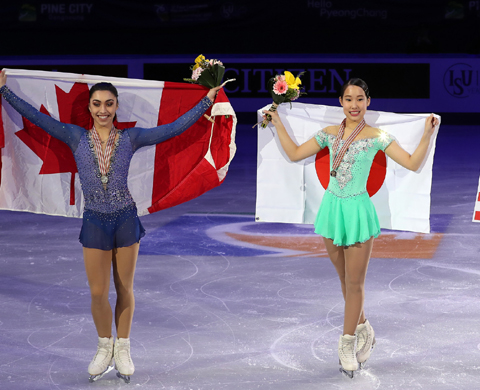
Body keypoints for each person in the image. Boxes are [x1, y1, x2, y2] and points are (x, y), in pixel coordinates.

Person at [0, 69, 222, 383]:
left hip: (125, 219)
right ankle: (105, 346)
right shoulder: (75, 136)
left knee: (125, 289)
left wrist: (205, 103)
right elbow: (38, 118)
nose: (103, 109)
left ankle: (124, 348)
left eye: (108, 103)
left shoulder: (131, 138)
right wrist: (5, 93)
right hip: (94, 220)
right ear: (89, 108)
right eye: (97, 104)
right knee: (97, 292)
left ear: (116, 107)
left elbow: (172, 129)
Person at [263, 78, 437, 378]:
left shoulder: (377, 136)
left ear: (368, 101)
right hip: (332, 209)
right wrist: (277, 121)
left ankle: (346, 344)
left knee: (355, 283)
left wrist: (426, 135)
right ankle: (364, 327)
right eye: (348, 99)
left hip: (357, 211)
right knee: (344, 279)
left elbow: (411, 163)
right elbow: (294, 154)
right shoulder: (330, 133)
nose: (354, 105)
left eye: (359, 99)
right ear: (340, 103)